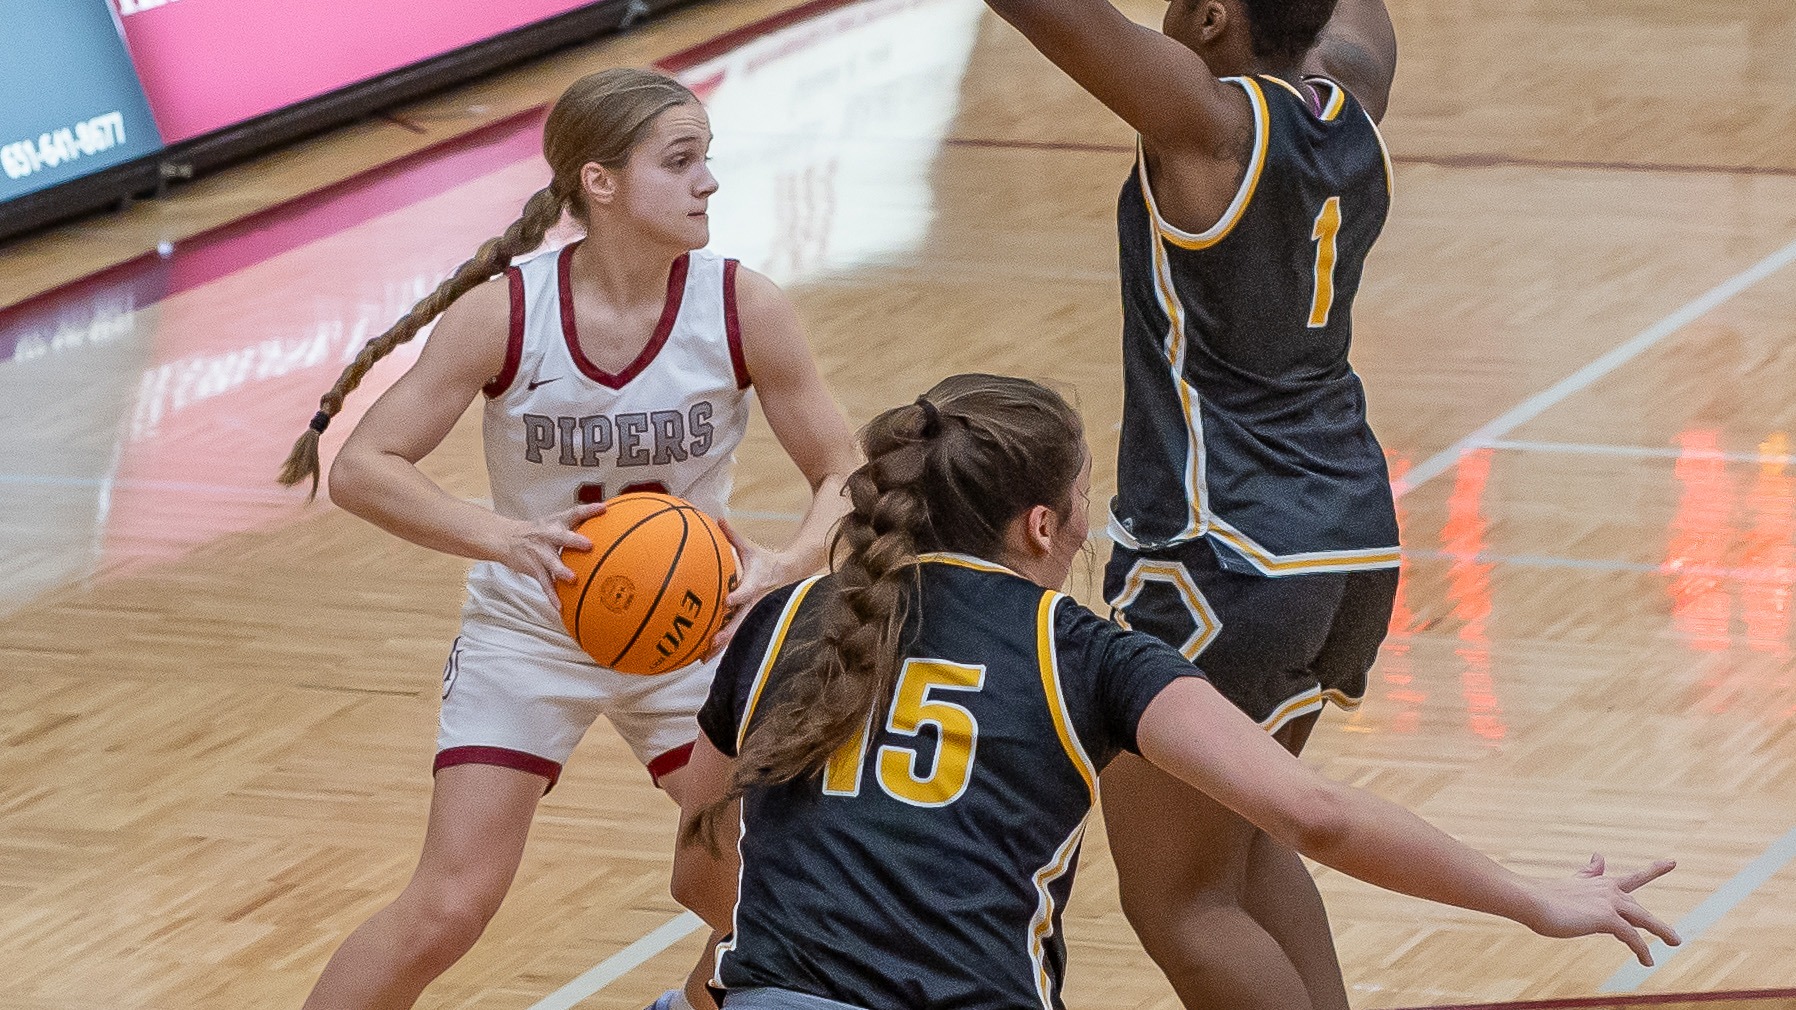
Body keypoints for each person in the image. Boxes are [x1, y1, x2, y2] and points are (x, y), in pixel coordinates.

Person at [669, 374, 1678, 1010]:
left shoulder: (784, 619)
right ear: (1038, 525)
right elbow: (1313, 814)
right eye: (1081, 497)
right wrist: (1529, 895)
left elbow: (697, 869)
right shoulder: (1085, 652)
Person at [275, 68, 858, 1010]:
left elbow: (844, 471)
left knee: (768, 894)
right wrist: (505, 539)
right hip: (532, 633)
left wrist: (787, 565)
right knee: (449, 907)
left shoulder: (744, 306)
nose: (709, 181)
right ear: (601, 182)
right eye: (680, 162)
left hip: (694, 639)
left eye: (706, 158)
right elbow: (362, 466)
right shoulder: (505, 313)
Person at [972, 0, 1405, 1005]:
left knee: (1179, 899)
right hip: (1345, 544)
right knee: (1249, 841)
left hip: (1222, 554)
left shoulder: (1209, 128)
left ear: (1211, 16)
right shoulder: (1352, 99)